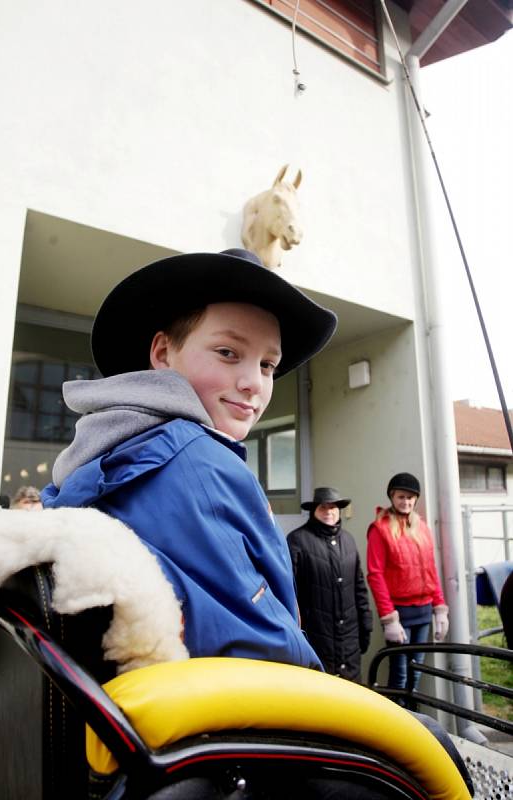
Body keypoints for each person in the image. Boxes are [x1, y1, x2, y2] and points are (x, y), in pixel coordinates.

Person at [41, 248, 337, 670]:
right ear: (162, 354)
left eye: (268, 364)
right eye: (228, 353)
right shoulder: (200, 462)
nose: (254, 383)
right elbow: (268, 645)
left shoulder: (100, 456)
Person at [366, 473, 449, 697]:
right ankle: (398, 723)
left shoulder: (421, 527)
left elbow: (430, 570)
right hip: (399, 614)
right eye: (402, 496)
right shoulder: (379, 529)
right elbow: (375, 575)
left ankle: (415, 719)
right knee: (400, 674)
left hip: (423, 611)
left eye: (411, 498)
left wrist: (440, 609)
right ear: (392, 497)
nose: (407, 502)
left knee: (416, 673)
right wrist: (389, 619)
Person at [287, 487, 372, 681]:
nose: (329, 512)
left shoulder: (349, 541)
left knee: (352, 700)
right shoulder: (297, 540)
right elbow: (288, 589)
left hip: (349, 640)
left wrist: (366, 626)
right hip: (316, 637)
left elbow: (360, 587)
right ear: (314, 510)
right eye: (323, 507)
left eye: (333, 507)